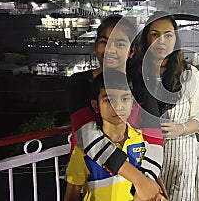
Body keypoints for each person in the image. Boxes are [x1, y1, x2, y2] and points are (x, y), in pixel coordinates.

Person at [66, 15, 164, 200]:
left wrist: (145, 186)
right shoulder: (79, 84)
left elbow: (154, 143)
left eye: (120, 44)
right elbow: (87, 136)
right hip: (89, 177)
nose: (110, 49)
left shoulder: (142, 89)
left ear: (131, 51)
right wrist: (141, 182)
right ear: (96, 45)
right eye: (105, 42)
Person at [129, 11, 199, 200]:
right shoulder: (136, 75)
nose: (161, 41)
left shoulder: (189, 75)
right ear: (146, 39)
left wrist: (181, 129)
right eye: (155, 34)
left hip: (180, 158)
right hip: (143, 159)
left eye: (168, 35)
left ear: (175, 39)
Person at [65, 70, 167, 201]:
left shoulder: (144, 143)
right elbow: (72, 193)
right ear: (96, 105)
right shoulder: (82, 151)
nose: (118, 106)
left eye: (125, 99)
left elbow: (154, 185)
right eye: (109, 100)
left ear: (132, 104)